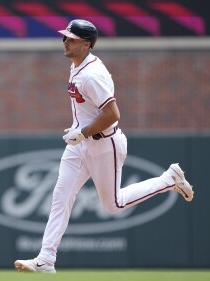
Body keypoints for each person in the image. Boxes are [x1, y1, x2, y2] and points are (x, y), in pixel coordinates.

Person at [14, 19, 194, 274]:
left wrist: (83, 132)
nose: (65, 41)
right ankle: (46, 259)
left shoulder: (91, 75)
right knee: (60, 197)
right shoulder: (77, 66)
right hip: (80, 145)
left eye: (71, 38)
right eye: (65, 36)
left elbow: (113, 114)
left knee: (113, 205)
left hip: (103, 144)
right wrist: (79, 131)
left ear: (86, 44)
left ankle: (169, 179)